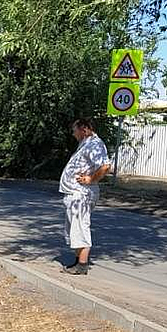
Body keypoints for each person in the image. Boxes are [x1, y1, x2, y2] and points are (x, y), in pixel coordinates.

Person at [59, 118, 111, 275]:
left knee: (81, 228)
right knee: (74, 230)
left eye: (75, 130)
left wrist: (91, 179)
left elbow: (105, 166)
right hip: (75, 194)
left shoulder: (95, 144)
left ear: (85, 129)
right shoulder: (86, 143)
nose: (73, 134)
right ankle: (77, 261)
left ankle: (82, 265)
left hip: (81, 195)